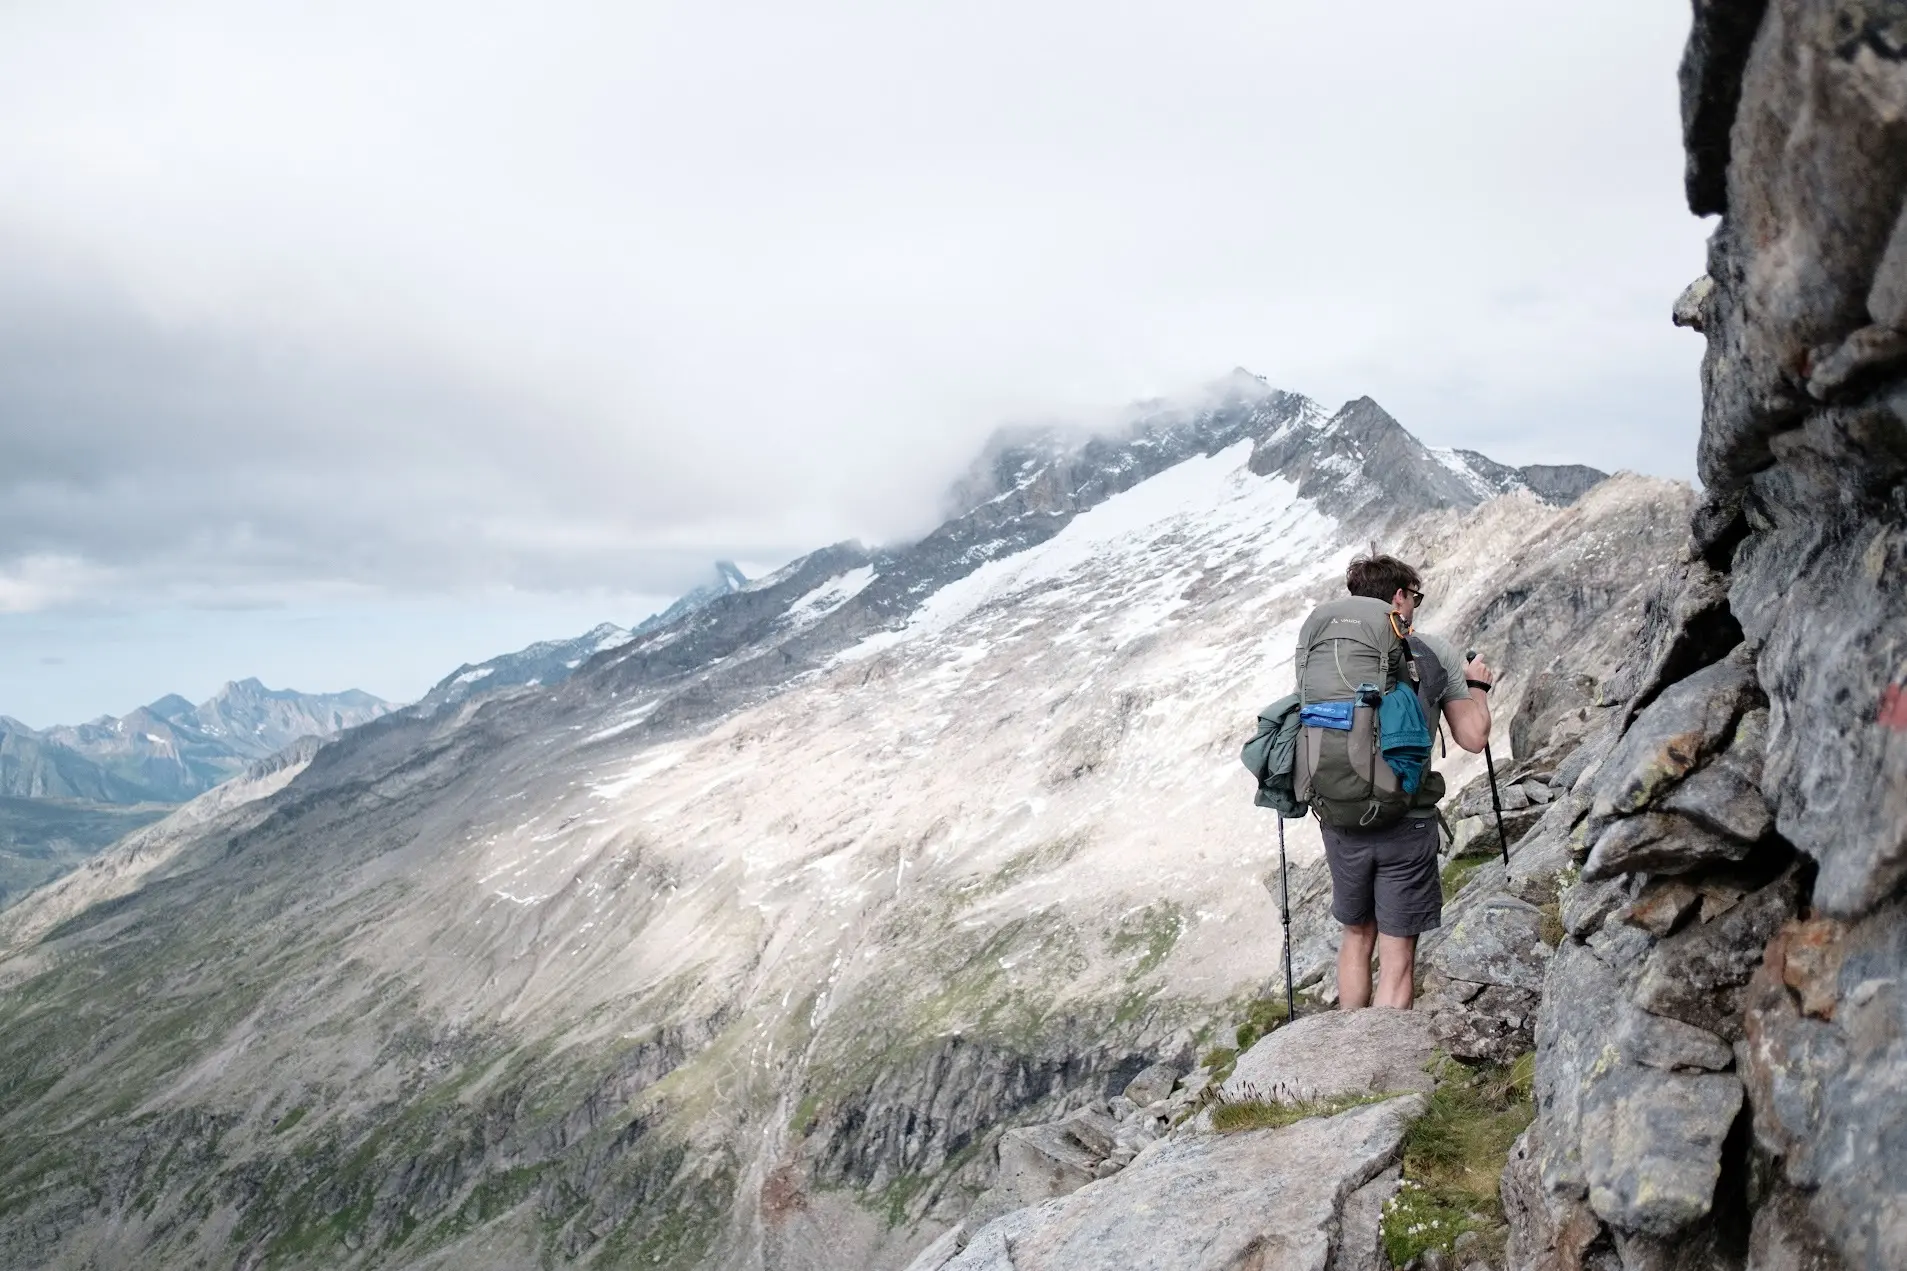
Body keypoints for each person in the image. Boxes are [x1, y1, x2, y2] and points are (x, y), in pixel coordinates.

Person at [1317, 553, 1494, 1010]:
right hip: (1407, 820)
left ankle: (1343, 1058)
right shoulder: (1434, 652)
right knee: (1397, 957)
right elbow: (1473, 738)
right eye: (1414, 595)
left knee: (1355, 936)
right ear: (1399, 597)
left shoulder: (1332, 656)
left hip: (1342, 819)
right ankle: (1376, 1073)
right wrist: (1477, 686)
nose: (1415, 603)